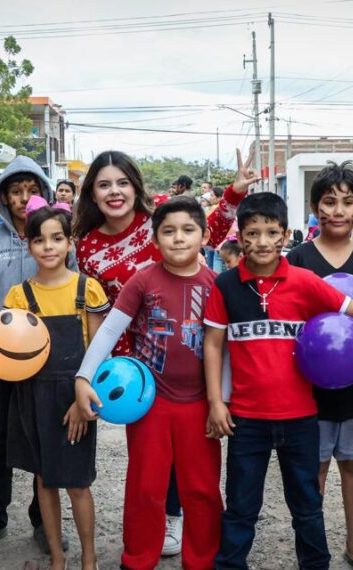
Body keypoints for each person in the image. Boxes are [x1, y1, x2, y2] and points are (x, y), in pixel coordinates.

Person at [203, 191, 353, 570]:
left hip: (300, 419)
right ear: (241, 237)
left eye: (271, 232)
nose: (262, 242)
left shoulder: (303, 281)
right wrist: (217, 402)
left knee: (307, 507)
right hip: (246, 420)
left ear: (285, 236)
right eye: (252, 233)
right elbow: (214, 345)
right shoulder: (226, 286)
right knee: (241, 506)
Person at [72, 150, 249, 556]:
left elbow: (210, 228)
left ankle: (191, 543)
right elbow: (104, 315)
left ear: (135, 186)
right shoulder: (87, 245)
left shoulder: (168, 224)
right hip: (136, 373)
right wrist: (87, 374)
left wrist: (235, 193)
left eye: (122, 182)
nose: (114, 191)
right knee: (147, 477)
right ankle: (141, 552)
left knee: (199, 482)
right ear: (93, 194)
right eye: (104, 184)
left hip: (193, 376)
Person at [283, 162, 353, 570]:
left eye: (348, 202)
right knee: (315, 468)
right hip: (309, 385)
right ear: (315, 208)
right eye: (329, 201)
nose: (339, 210)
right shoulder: (298, 258)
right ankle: (312, 547)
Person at [0, 155, 63, 555]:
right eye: (15, 192)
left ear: (43, 194)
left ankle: (44, 520)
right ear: (3, 197)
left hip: (48, 360)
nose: (24, 199)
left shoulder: (55, 237)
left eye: (32, 191)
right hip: (0, 358)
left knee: (44, 439)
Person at [0, 201, 109, 570]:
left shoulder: (88, 289)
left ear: (69, 243)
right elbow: (11, 353)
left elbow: (97, 352)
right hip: (32, 397)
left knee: (78, 483)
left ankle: (89, 561)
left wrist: (83, 403)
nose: (48, 247)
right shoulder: (18, 296)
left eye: (57, 238)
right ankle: (58, 560)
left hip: (75, 395)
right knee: (45, 481)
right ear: (28, 245)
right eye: (39, 240)